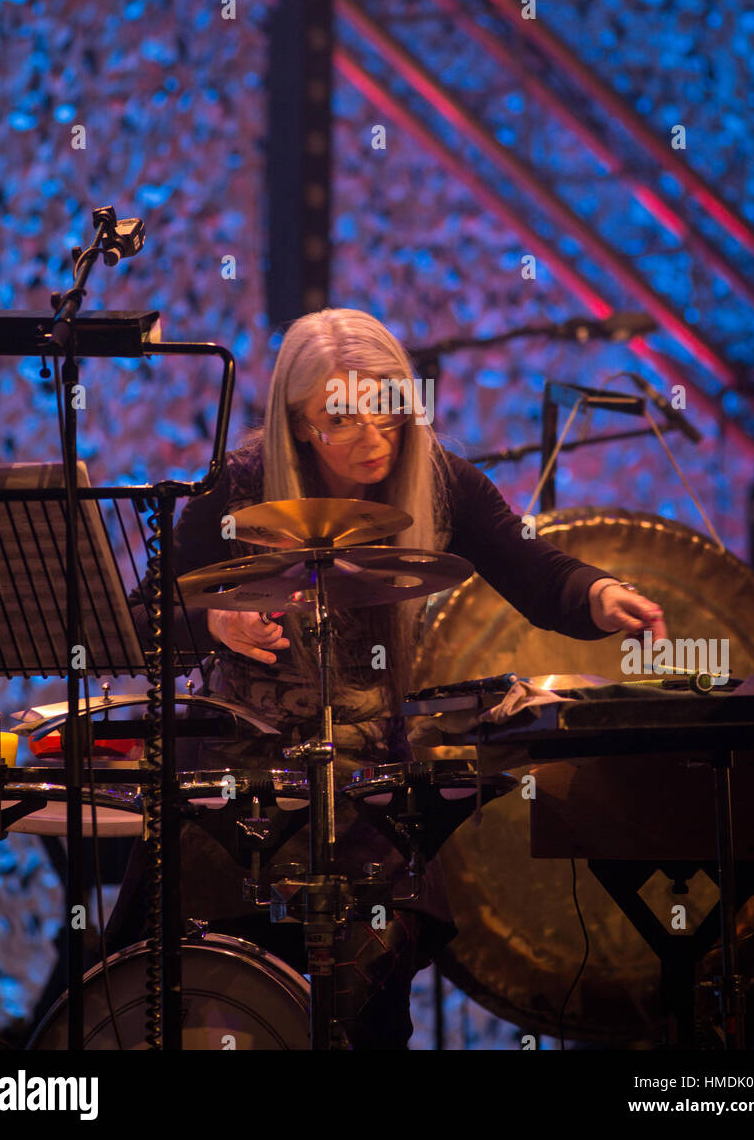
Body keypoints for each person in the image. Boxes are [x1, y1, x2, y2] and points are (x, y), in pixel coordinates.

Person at [107, 307, 666, 1049]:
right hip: (234, 793)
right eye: (342, 420)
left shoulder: (436, 478)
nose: (373, 440)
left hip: (366, 793)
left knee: (368, 1018)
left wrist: (598, 594)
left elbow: (534, 572)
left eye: (389, 415)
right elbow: (146, 619)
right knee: (213, 1009)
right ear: (301, 423)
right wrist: (215, 622)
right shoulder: (234, 488)